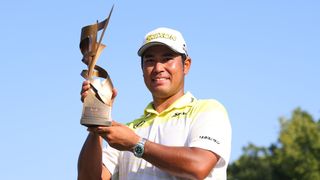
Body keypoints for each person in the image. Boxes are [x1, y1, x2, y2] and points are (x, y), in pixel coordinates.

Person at [78, 27, 232, 180]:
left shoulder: (208, 110)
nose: (158, 68)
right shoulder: (129, 130)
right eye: (150, 60)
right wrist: (97, 118)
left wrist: (136, 144)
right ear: (142, 68)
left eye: (167, 58)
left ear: (186, 65)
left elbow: (198, 166)